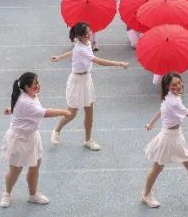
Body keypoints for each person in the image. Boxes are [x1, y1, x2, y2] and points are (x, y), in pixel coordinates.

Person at [140, 72, 188, 208]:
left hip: (176, 135)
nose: (177, 86)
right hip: (168, 138)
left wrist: (151, 124)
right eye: (173, 85)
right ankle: (145, 195)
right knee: (157, 168)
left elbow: (161, 110)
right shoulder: (173, 101)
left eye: (178, 83)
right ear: (167, 87)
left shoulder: (170, 96)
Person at [49, 22, 129, 151]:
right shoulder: (80, 48)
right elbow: (99, 61)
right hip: (76, 81)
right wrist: (119, 63)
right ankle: (56, 130)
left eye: (89, 32)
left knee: (89, 112)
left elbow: (72, 51)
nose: (89, 35)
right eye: (86, 34)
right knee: (72, 113)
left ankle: (88, 140)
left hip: (86, 80)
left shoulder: (84, 43)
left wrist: (59, 57)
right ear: (79, 36)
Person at [0, 72, 72, 207]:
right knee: (15, 170)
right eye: (35, 84)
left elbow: (22, 109)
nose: (38, 86)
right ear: (26, 87)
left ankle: (33, 195)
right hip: (19, 139)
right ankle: (7, 194)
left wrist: (12, 110)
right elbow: (46, 113)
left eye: (38, 82)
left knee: (34, 167)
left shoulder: (29, 95)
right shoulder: (25, 101)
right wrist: (64, 112)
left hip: (32, 137)